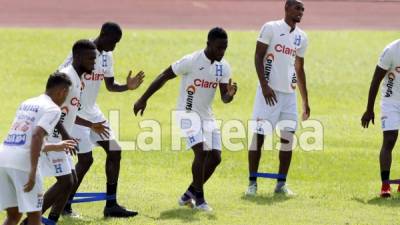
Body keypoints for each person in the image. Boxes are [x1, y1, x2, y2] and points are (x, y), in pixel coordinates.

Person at [134, 27, 237, 212]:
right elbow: (165, 75)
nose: (222, 52)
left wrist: (229, 95)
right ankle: (200, 198)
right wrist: (143, 99)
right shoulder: (192, 60)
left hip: (207, 116)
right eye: (219, 47)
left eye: (225, 48)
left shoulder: (224, 66)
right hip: (186, 114)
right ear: (209, 44)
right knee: (202, 151)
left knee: (216, 157)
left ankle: (188, 195)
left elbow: (224, 97)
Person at [61, 22, 144, 218]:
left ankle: (111, 205)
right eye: (113, 41)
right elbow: (61, 78)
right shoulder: (83, 51)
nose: (115, 46)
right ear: (103, 34)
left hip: (93, 112)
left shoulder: (107, 56)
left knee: (114, 150)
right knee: (86, 160)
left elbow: (110, 85)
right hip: (76, 114)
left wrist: (127, 86)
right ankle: (65, 205)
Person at [246, 0, 309, 196]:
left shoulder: (302, 37)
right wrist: (265, 86)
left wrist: (305, 101)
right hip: (269, 93)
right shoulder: (270, 28)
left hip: (289, 95)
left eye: (303, 10)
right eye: (297, 8)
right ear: (287, 8)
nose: (300, 12)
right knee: (260, 136)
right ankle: (252, 184)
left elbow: (299, 68)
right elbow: (258, 56)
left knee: (288, 138)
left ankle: (281, 184)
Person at [38, 40, 97, 224]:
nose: (94, 63)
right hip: (52, 138)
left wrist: (89, 124)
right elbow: (49, 108)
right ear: (77, 57)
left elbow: (68, 113)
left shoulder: (77, 79)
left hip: (61, 137)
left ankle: (51, 220)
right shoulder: (66, 78)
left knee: (70, 181)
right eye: (90, 59)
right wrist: (65, 135)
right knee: (66, 181)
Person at [0, 72, 71, 225]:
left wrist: (54, 146)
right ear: (62, 92)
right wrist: (32, 171)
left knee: (13, 216)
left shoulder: (27, 102)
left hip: (4, 158)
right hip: (23, 164)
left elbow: (25, 139)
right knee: (34, 218)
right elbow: (37, 135)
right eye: (66, 95)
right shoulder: (53, 109)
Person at [361, 39, 400, 198]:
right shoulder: (391, 50)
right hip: (391, 101)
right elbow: (376, 80)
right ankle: (385, 184)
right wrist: (369, 109)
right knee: (390, 140)